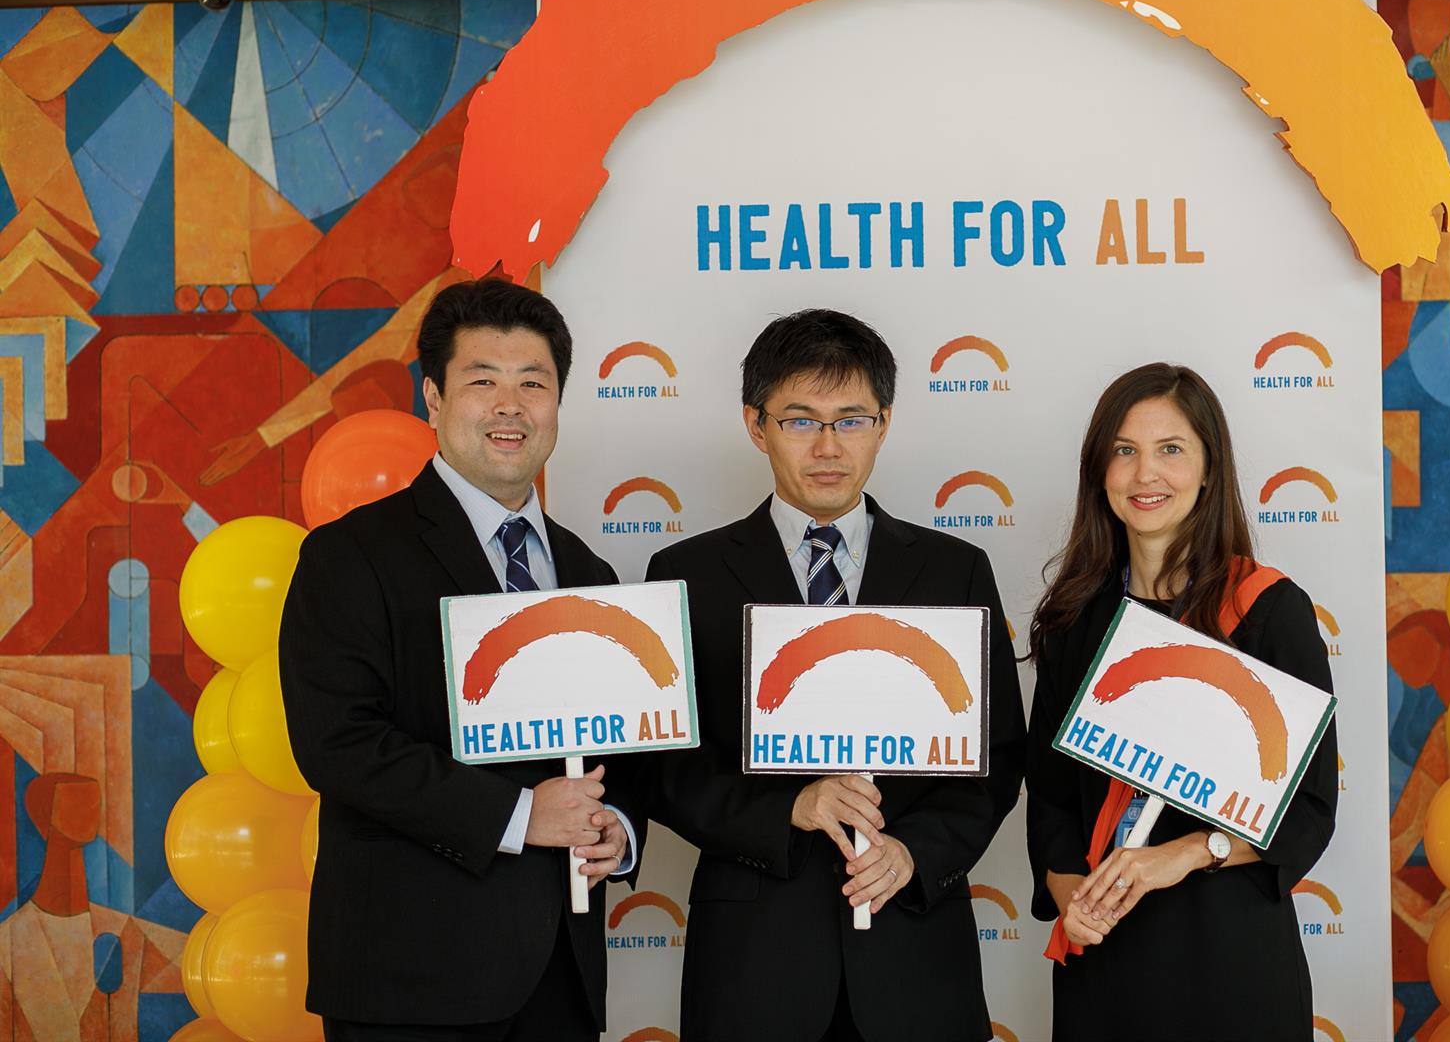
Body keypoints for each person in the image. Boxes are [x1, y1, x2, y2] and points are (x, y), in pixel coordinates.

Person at [644, 308, 1024, 1042]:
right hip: (754, 964)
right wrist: (789, 808)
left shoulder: (954, 571)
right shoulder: (688, 574)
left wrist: (915, 855)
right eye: (800, 421)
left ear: (884, 424)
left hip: (916, 952)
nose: (827, 446)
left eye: (851, 421)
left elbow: (998, 758)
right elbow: (665, 769)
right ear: (756, 426)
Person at [281, 277, 642, 1041]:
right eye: (483, 382)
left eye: (533, 384)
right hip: (409, 981)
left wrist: (613, 825)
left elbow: (623, 750)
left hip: (563, 978)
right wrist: (521, 814)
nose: (510, 406)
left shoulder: (591, 574)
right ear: (434, 399)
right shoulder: (351, 555)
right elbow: (338, 744)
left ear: (557, 404)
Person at [1024, 363, 1338, 1041]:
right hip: (1104, 966)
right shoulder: (1075, 619)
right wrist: (1074, 898)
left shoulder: (1266, 611)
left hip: (1230, 961)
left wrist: (1190, 851)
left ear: (1208, 468)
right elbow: (1049, 798)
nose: (1146, 474)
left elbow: (1309, 811)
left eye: (1171, 449)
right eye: (1124, 450)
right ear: (1099, 471)